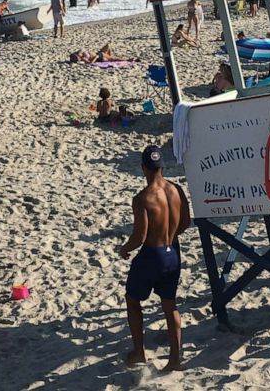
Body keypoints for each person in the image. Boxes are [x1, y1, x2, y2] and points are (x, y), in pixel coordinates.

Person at [118, 145, 190, 372]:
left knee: (132, 299)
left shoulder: (142, 198)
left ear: (143, 168)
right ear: (161, 167)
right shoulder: (177, 189)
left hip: (153, 255)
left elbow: (139, 237)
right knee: (170, 306)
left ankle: (139, 352)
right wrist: (169, 235)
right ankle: (175, 360)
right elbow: (186, 222)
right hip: (173, 253)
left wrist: (124, 249)